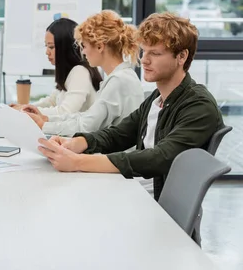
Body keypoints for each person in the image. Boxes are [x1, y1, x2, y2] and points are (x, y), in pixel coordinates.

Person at [37, 13, 224, 200]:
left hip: (155, 202)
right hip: (138, 188)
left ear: (182, 56)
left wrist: (78, 162)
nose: (144, 60)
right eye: (144, 52)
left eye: (155, 53)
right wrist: (77, 143)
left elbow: (159, 158)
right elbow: (119, 134)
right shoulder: (157, 98)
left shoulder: (199, 106)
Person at [22, 11, 144, 135]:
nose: (83, 52)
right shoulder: (121, 77)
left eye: (84, 46)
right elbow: (87, 117)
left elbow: (87, 125)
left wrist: (44, 125)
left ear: (100, 47)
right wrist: (46, 119)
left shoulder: (119, 80)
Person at [11, 18, 102, 115]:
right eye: (46, 46)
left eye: (51, 47)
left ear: (66, 48)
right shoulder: (70, 72)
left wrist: (27, 111)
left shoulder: (80, 72)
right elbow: (52, 101)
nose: (47, 52)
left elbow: (65, 111)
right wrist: (25, 107)